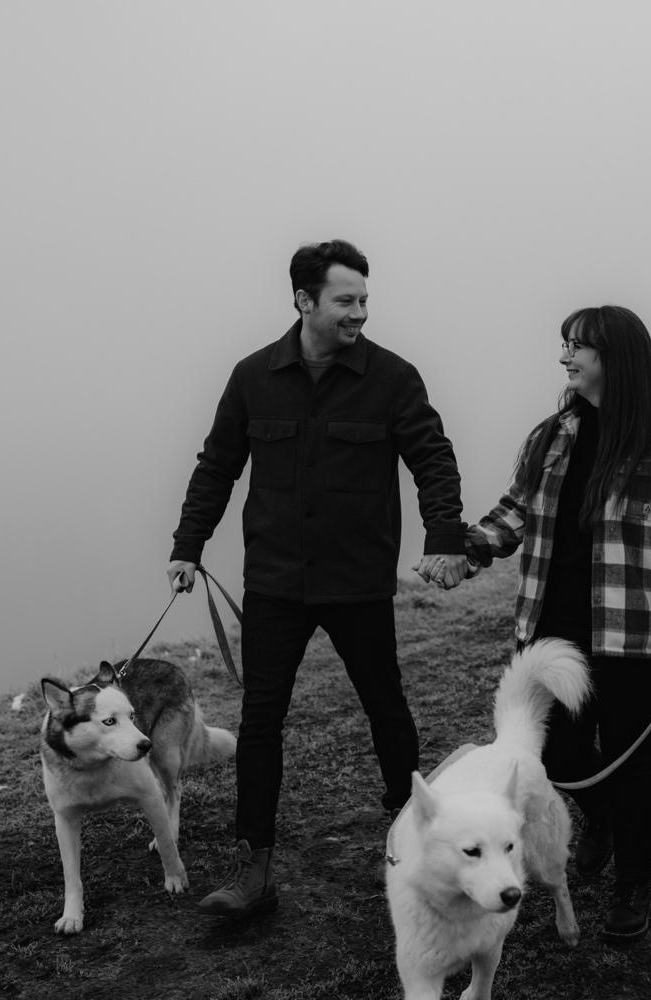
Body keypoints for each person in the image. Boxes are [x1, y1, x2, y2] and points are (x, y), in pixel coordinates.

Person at [166, 240, 470, 918]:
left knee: (384, 707)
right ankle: (255, 872)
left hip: (358, 580)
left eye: (364, 299)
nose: (360, 312)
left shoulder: (392, 378)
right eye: (346, 300)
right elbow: (217, 465)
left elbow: (433, 459)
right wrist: (189, 545)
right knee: (260, 720)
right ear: (304, 300)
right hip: (274, 581)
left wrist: (444, 536)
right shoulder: (252, 377)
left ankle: (415, 841)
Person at [464, 304, 651, 943]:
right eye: (564, 345)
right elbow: (515, 511)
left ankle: (633, 885)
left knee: (639, 767)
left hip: (636, 639)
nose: (564, 358)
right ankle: (599, 814)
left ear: (618, 357)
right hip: (552, 633)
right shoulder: (553, 435)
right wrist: (466, 547)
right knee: (557, 753)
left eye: (577, 346)